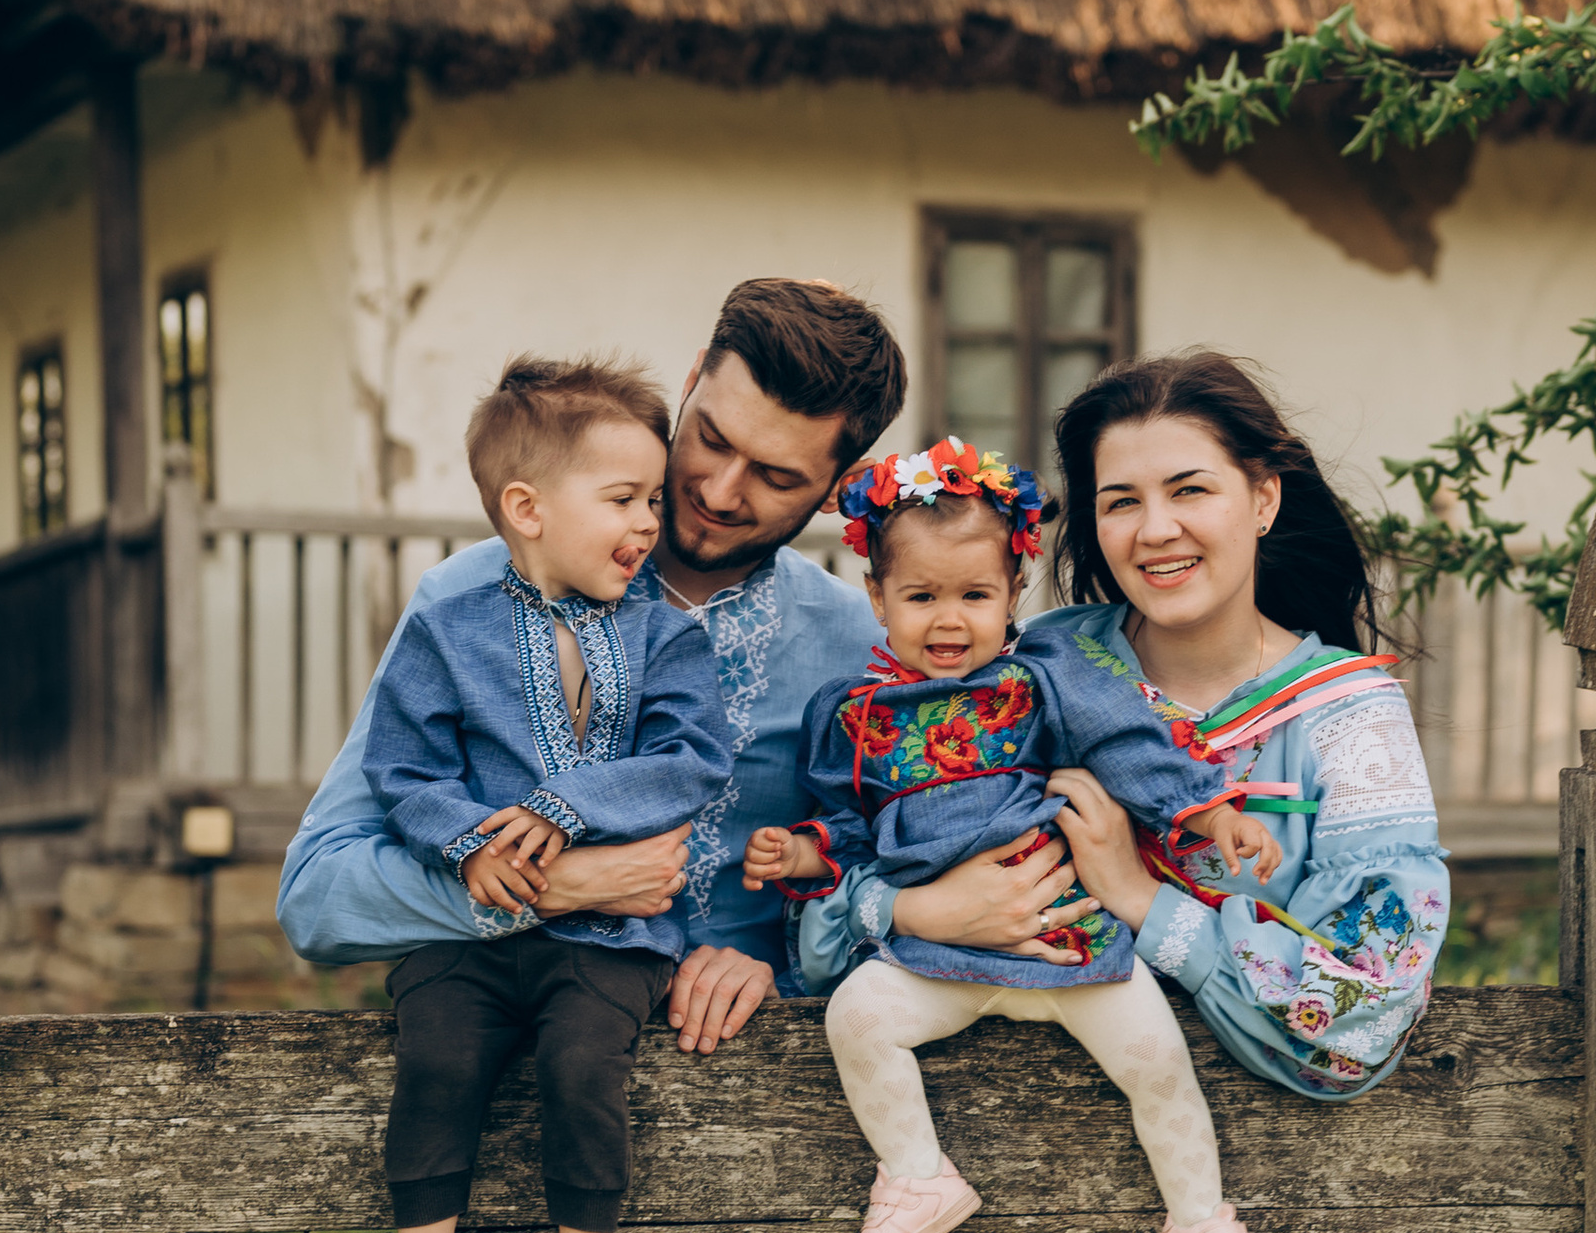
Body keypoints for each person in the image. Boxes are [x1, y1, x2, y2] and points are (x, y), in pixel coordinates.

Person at [284, 275, 1078, 1050]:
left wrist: (778, 961)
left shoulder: (870, 649)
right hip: (512, 1078)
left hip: (760, 1089)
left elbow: (894, 860)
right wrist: (546, 890)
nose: (721, 490)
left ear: (838, 487)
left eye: (776, 476)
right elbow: (317, 894)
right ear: (693, 377)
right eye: (712, 438)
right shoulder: (466, 600)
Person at [750, 438, 1289, 1233]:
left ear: (1013, 596)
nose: (950, 620)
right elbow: (849, 831)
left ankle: (1199, 1225)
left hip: (1068, 935)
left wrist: (1209, 808)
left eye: (976, 594)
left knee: (1156, 1058)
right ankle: (918, 1174)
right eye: (921, 596)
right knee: (856, 1016)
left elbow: (1127, 744)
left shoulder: (1041, 681)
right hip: (938, 955)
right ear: (876, 596)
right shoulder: (851, 718)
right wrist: (806, 852)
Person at [360, 355, 734, 1233]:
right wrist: (465, 841)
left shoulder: (666, 632)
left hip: (608, 941)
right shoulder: (446, 627)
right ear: (526, 509)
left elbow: (690, 758)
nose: (650, 522)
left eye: (653, 499)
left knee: (583, 1063)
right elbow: (402, 769)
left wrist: (568, 804)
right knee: (433, 1061)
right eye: (623, 499)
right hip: (472, 938)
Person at [972, 350, 1448, 1101]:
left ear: (1263, 500)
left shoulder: (1351, 715)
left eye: (1189, 489)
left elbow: (1366, 1013)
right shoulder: (1039, 668)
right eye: (1121, 501)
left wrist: (1139, 897)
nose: (1156, 529)